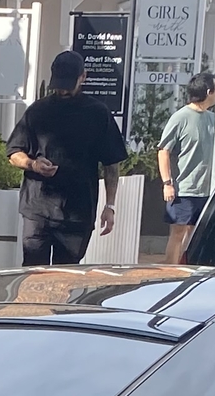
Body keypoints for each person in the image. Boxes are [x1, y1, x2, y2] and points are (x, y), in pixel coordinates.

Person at [7, 50, 129, 265]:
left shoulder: (97, 113)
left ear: (83, 77)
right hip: (37, 209)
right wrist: (33, 164)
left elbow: (111, 163)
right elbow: (13, 153)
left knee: (66, 278)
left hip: (77, 213)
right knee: (33, 276)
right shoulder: (38, 111)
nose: (62, 89)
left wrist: (110, 206)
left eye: (67, 83)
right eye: (58, 84)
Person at [155, 72, 215, 262]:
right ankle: (170, 274)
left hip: (208, 189)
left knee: (196, 234)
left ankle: (188, 272)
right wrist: (167, 183)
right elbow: (163, 150)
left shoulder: (214, 119)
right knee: (178, 232)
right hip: (184, 188)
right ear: (208, 92)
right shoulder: (180, 117)